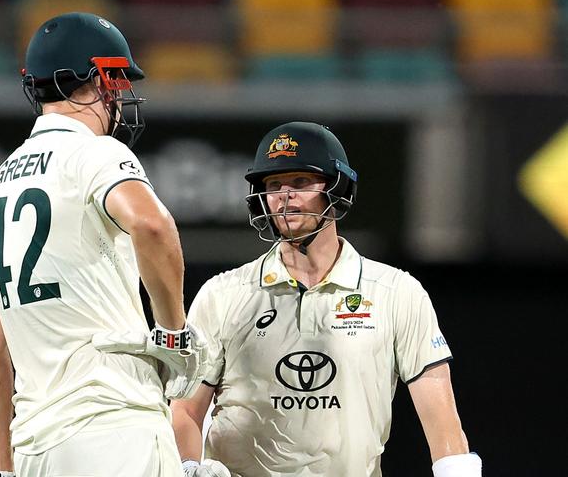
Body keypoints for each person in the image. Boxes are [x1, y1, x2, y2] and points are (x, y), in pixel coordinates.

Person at [0, 12, 204, 477]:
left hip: (34, 446)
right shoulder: (96, 152)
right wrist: (173, 332)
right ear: (94, 79)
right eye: (115, 81)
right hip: (113, 429)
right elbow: (152, 226)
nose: (118, 95)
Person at [171, 122, 482, 477]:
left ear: (338, 188)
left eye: (301, 183)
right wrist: (188, 467)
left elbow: (442, 421)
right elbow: (185, 409)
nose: (285, 196)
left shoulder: (396, 293)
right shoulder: (223, 295)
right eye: (273, 185)